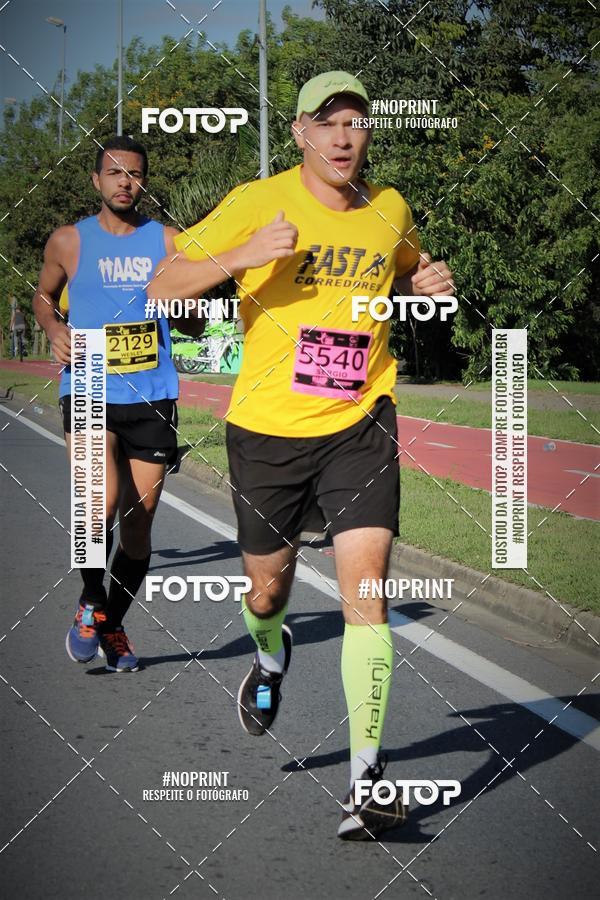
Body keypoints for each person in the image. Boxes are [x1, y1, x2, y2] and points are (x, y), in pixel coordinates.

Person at [149, 72, 454, 838]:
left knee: (368, 596)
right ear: (300, 133)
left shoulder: (389, 209)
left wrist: (427, 278)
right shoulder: (258, 202)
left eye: (356, 122)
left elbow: (405, 259)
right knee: (266, 588)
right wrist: (246, 252)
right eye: (329, 123)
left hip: (360, 422)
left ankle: (367, 779)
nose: (345, 136)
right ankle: (273, 652)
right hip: (269, 432)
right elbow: (164, 286)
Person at [33, 135, 203, 673]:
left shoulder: (169, 241)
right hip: (86, 379)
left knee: (138, 522)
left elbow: (194, 321)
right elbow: (43, 296)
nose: (125, 182)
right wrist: (53, 325)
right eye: (114, 173)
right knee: (97, 502)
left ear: (143, 181)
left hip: (151, 393)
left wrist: (189, 305)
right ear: (96, 181)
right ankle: (91, 601)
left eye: (134, 174)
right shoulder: (68, 241)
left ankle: (112, 623)